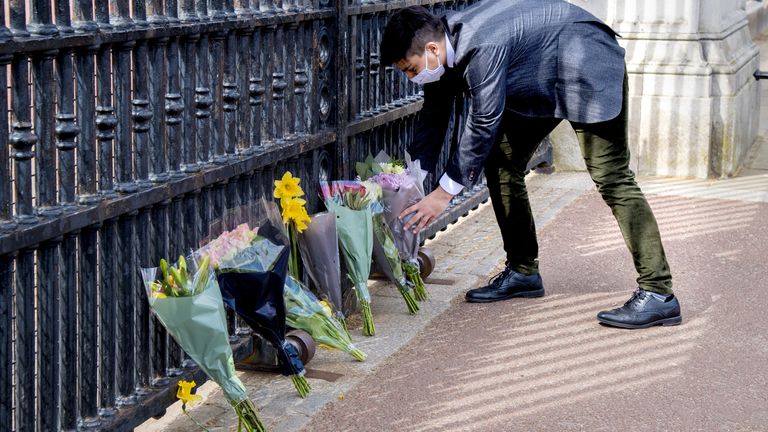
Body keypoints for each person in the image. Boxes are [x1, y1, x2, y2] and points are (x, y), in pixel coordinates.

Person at [381, 0, 682, 329]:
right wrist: (412, 182)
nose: (412, 77)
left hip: (587, 64)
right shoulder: (443, 50)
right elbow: (433, 120)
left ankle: (659, 292)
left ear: (432, 49)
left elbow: (484, 121)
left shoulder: (480, 44)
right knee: (500, 161)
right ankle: (523, 271)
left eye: (410, 69)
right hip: (543, 77)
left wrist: (443, 195)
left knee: (612, 177)